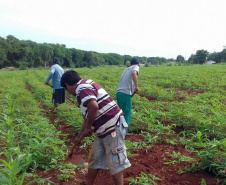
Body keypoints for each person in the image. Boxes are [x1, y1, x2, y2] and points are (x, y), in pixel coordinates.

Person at [60, 70, 131, 185]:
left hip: (113, 127)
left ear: (67, 85)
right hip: (103, 131)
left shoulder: (81, 88)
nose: (67, 92)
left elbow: (93, 106)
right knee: (94, 159)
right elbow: (87, 118)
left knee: (115, 162)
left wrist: (89, 127)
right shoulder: (84, 86)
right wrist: (79, 136)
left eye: (66, 89)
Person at [116, 57, 140, 131]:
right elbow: (134, 73)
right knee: (126, 114)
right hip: (125, 93)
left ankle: (118, 130)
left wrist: (132, 93)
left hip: (119, 93)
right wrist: (136, 86)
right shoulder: (135, 67)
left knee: (120, 113)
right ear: (138, 64)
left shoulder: (127, 69)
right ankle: (124, 132)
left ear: (130, 64)